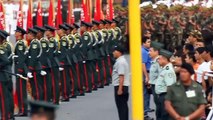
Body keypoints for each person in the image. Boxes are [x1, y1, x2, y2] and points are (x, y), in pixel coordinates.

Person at [155, 49, 177, 120]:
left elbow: (170, 86)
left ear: (164, 59)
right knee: (161, 115)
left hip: (165, 96)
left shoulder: (168, 71)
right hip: (162, 96)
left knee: (165, 116)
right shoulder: (165, 69)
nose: (158, 60)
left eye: (159, 59)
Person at [112, 45, 129, 120]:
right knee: (123, 107)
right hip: (121, 86)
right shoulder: (120, 61)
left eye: (115, 51)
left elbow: (121, 76)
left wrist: (120, 89)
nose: (113, 53)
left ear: (119, 52)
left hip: (120, 86)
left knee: (122, 108)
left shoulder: (120, 62)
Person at [14, 26, 28, 116]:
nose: (15, 34)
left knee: (21, 90)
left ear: (20, 33)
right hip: (22, 68)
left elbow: (21, 58)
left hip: (20, 69)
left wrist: (19, 70)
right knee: (21, 90)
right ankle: (23, 109)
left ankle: (23, 110)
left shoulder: (20, 44)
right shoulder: (22, 42)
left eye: (16, 32)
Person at [148, 41, 164, 119]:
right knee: (158, 105)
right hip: (154, 85)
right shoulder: (154, 61)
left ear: (156, 52)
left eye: (151, 51)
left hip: (158, 87)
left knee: (159, 106)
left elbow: (161, 75)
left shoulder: (158, 62)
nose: (149, 53)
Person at [141, 36, 154, 119]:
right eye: (148, 42)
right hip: (146, 73)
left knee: (148, 92)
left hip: (149, 72)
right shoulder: (143, 52)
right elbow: (143, 65)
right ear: (143, 43)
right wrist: (146, 77)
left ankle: (147, 107)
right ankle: (145, 112)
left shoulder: (147, 50)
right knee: (145, 93)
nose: (149, 43)